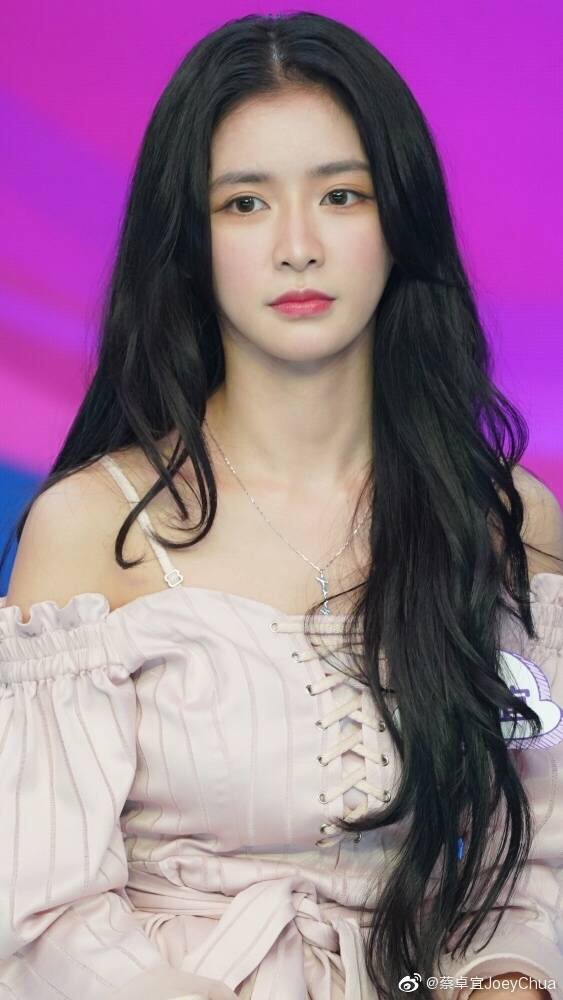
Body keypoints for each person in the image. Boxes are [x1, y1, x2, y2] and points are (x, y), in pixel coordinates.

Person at [0, 11, 562, 1000]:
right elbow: (36, 915)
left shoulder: (501, 518)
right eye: (244, 204)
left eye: (340, 195)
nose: (297, 247)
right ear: (189, 240)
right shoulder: (89, 530)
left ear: (399, 223)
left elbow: (540, 852)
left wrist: (507, 980)